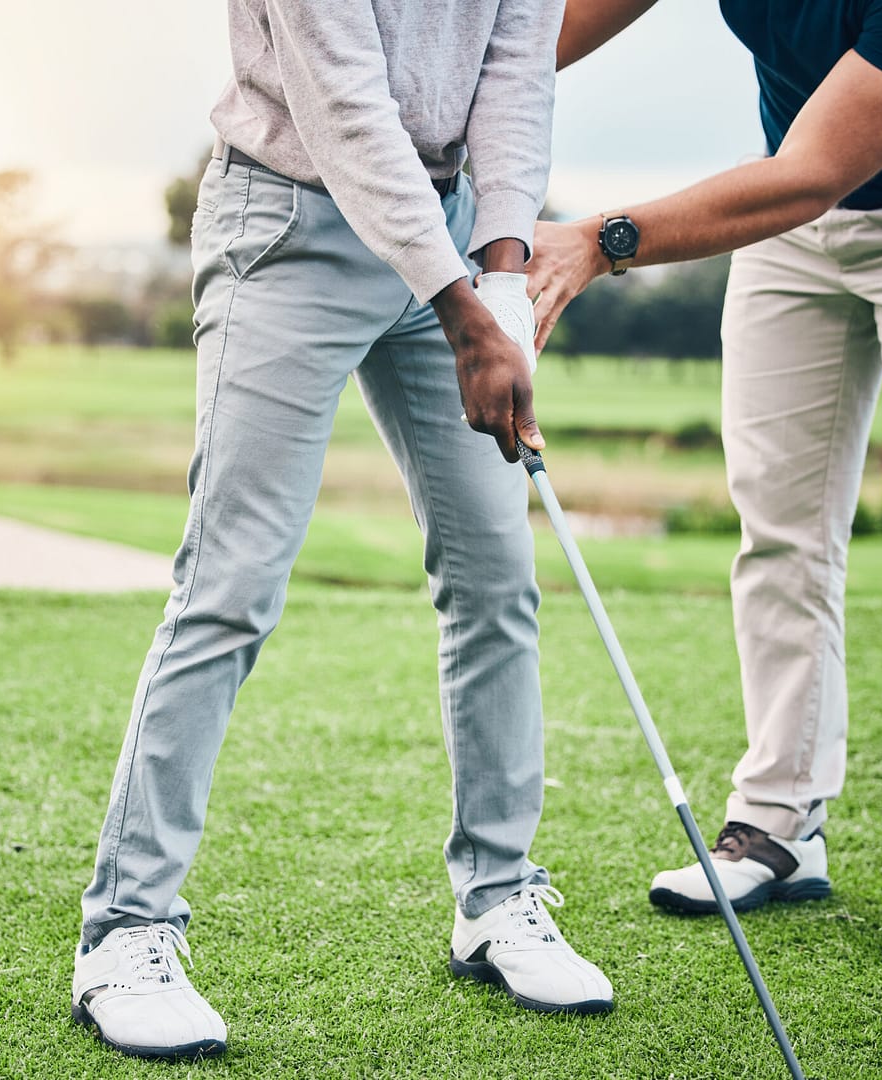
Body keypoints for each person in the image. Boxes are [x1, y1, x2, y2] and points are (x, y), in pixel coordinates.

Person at [71, 0, 616, 1060]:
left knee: (497, 576)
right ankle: (123, 932)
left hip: (453, 240)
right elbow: (344, 105)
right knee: (230, 585)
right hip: (291, 223)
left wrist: (499, 282)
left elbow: (515, 70)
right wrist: (467, 311)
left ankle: (498, 899)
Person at [530, 0, 882, 968]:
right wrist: (441, 98)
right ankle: (777, 823)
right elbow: (546, 28)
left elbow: (814, 171)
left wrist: (603, 238)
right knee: (777, 519)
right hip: (795, 233)